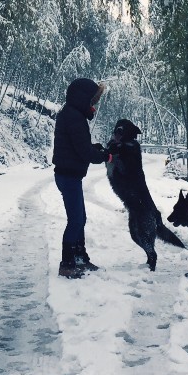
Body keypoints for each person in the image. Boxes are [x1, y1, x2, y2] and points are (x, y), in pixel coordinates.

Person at [52, 77, 109, 278]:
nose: (93, 106)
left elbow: (78, 146)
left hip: (69, 175)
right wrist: (105, 156)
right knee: (76, 220)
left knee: (80, 219)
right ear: (82, 98)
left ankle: (79, 257)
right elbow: (84, 152)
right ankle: (67, 263)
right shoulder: (74, 117)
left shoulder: (71, 115)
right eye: (92, 101)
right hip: (68, 176)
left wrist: (95, 148)